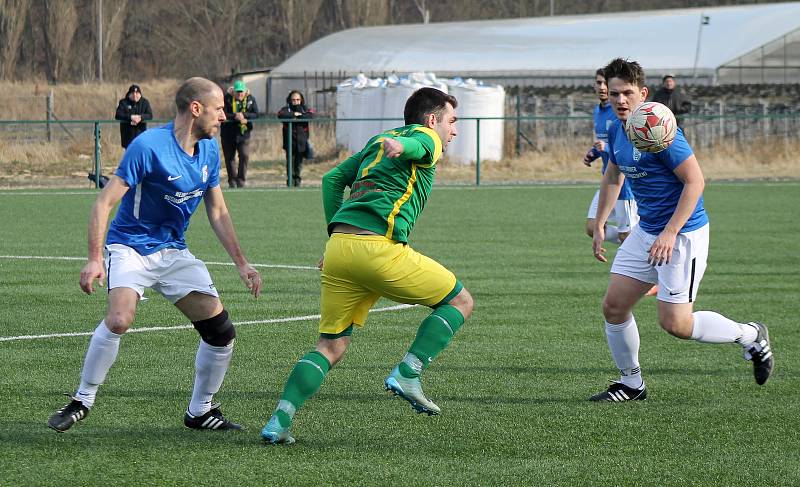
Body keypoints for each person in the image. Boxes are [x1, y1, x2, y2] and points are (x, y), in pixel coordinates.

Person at [47, 77, 262, 433]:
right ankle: (82, 400)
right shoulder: (148, 146)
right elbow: (104, 202)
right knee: (119, 319)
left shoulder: (209, 148)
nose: (225, 115)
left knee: (221, 332)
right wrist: (94, 258)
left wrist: (242, 262)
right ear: (196, 109)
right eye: (219, 108)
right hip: (130, 245)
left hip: (173, 250)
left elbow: (218, 210)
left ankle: (200, 411)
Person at [261, 87, 473, 444]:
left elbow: (332, 180)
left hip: (341, 250)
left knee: (330, 346)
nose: (454, 131)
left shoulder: (380, 138)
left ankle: (279, 421)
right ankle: (409, 371)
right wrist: (405, 148)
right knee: (461, 301)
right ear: (433, 119)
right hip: (378, 250)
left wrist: (333, 238)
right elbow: (422, 146)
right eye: (452, 122)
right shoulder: (424, 136)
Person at [589, 58, 773, 403]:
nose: (620, 100)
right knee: (614, 307)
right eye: (614, 93)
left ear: (643, 93)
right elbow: (614, 175)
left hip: (683, 233)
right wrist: (601, 222)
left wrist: (670, 233)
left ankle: (750, 335)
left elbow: (695, 181)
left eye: (627, 93)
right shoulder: (616, 128)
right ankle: (631, 384)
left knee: (677, 325)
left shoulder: (661, 130)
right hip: (648, 231)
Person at [582, 68, 638, 245]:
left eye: (605, 83)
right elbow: (604, 141)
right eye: (598, 82)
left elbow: (626, 145)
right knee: (592, 227)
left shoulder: (620, 110)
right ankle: (635, 244)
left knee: (626, 235)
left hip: (625, 184)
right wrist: (594, 153)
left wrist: (606, 148)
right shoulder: (598, 112)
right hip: (608, 178)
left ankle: (637, 246)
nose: (602, 87)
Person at [221, 80, 259, 188]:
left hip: (243, 134)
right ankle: (232, 182)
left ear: (245, 91)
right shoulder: (227, 99)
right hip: (227, 134)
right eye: (237, 92)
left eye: (241, 92)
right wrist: (235, 116)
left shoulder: (250, 99)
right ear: (233, 92)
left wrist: (244, 115)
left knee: (244, 155)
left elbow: (256, 114)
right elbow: (222, 113)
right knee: (229, 158)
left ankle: (241, 181)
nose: (240, 94)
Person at [277, 90, 313, 187]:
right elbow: (280, 115)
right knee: (290, 162)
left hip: (301, 142)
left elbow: (310, 115)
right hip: (289, 141)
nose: (295, 101)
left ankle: (297, 180)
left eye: (297, 99)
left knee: (298, 163)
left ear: (301, 100)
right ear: (289, 100)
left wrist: (300, 115)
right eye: (293, 100)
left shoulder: (305, 108)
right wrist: (293, 115)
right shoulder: (286, 109)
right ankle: (290, 181)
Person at [115, 84, 153, 149]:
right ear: (129, 94)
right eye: (133, 93)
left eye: (137, 93)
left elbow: (150, 115)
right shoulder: (123, 102)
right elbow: (118, 115)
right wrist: (130, 117)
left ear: (140, 94)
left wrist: (141, 117)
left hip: (141, 135)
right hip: (127, 136)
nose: (135, 95)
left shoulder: (145, 102)